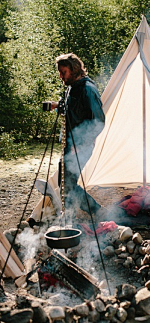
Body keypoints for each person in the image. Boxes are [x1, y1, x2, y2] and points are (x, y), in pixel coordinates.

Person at [51, 53, 105, 223]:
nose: (61, 76)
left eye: (63, 72)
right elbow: (71, 108)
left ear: (74, 70)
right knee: (65, 183)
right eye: (60, 72)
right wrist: (56, 106)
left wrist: (82, 144)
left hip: (80, 146)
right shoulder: (72, 87)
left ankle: (96, 210)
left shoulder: (88, 89)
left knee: (68, 184)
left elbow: (98, 120)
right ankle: (69, 215)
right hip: (69, 145)